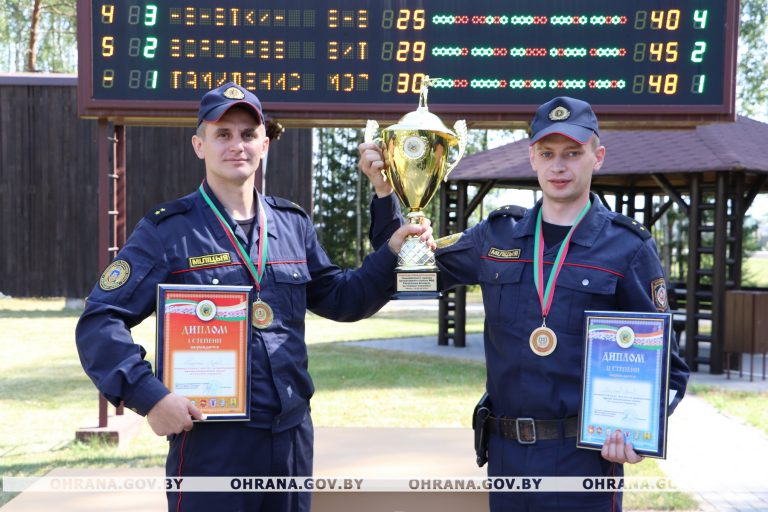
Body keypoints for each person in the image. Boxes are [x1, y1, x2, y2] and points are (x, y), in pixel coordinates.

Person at [76, 82, 433, 512]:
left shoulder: (292, 224)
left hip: (291, 440)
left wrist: (392, 239)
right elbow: (100, 320)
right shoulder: (166, 231)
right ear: (198, 145)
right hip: (212, 444)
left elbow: (345, 299)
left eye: (247, 135)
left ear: (264, 143)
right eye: (222, 134)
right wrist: (150, 396)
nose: (236, 145)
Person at [359, 96, 690, 511]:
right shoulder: (496, 237)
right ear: (532, 157)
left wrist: (640, 435)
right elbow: (409, 270)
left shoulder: (627, 248)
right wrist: (386, 192)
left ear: (597, 157)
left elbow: (668, 370)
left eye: (573, 153)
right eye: (548, 153)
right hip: (508, 457)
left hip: (584, 461)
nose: (559, 166)